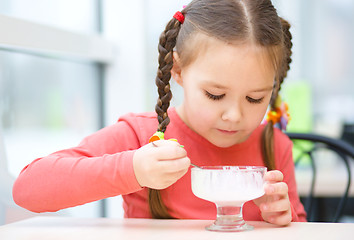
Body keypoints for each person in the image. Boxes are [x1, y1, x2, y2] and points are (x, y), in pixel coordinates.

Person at [12, 0, 307, 225]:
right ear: (177, 70)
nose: (234, 115)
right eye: (215, 95)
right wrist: (133, 169)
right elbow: (27, 189)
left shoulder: (273, 146)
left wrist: (283, 218)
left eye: (255, 98)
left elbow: (302, 227)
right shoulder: (142, 138)